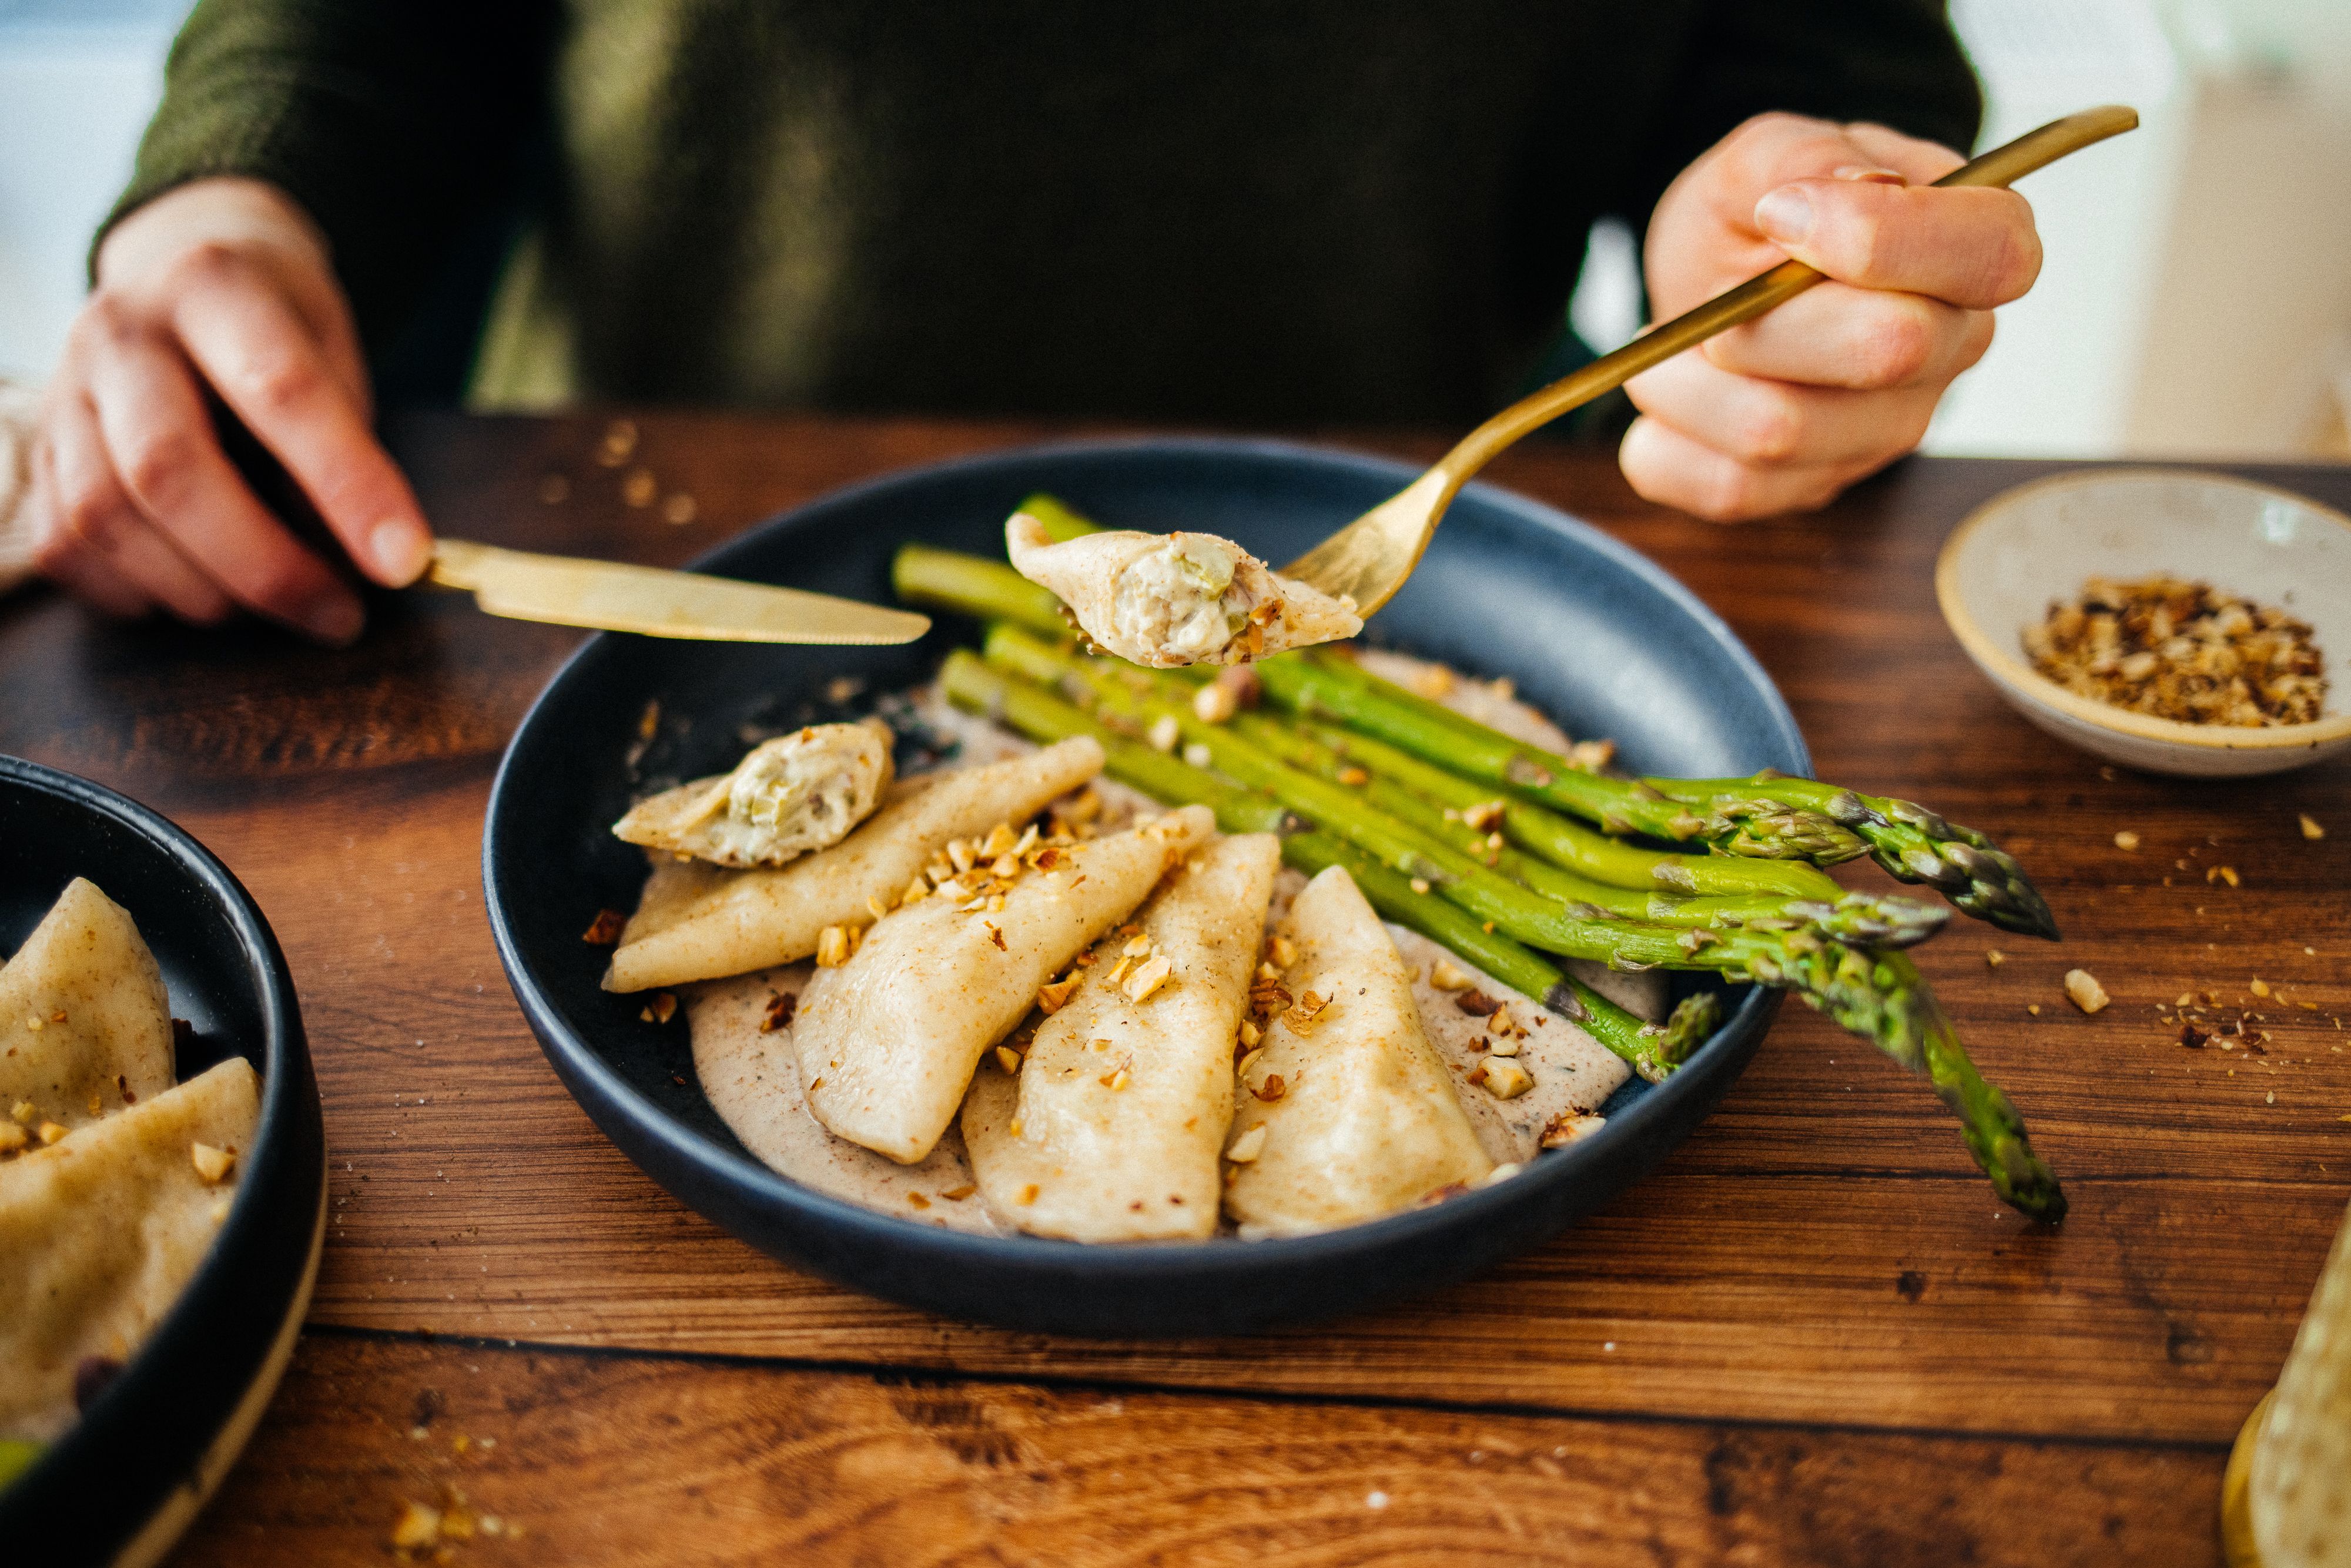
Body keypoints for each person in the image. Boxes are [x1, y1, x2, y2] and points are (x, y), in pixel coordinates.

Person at [19, 1, 2040, 644]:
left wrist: (1792, 235)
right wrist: (237, 183)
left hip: (1460, 571)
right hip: (618, 565)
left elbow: (1821, 43)